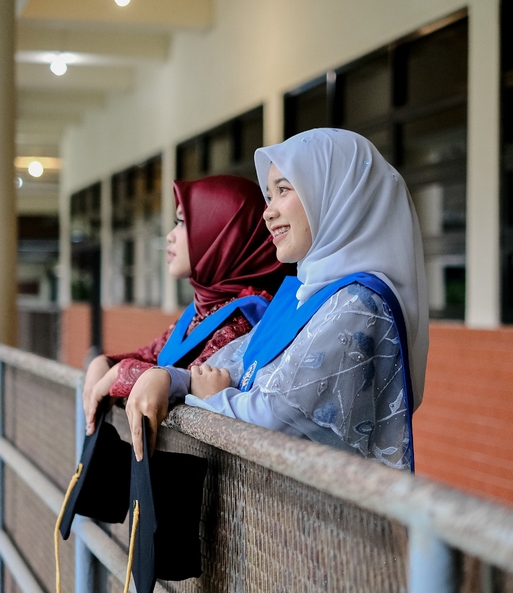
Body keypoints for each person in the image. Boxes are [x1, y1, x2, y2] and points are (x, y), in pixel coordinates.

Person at [125, 128, 429, 471]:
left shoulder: (360, 306)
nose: (267, 212)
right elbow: (227, 368)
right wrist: (166, 378)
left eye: (283, 190)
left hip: (329, 520)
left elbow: (276, 419)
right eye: (269, 195)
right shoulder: (298, 297)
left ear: (334, 195)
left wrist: (210, 399)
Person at [82, 174, 293, 432]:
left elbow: (189, 379)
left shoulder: (248, 316)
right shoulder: (203, 309)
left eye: (182, 223)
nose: (169, 236)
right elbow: (152, 357)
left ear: (222, 234)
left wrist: (119, 373)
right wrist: (105, 363)